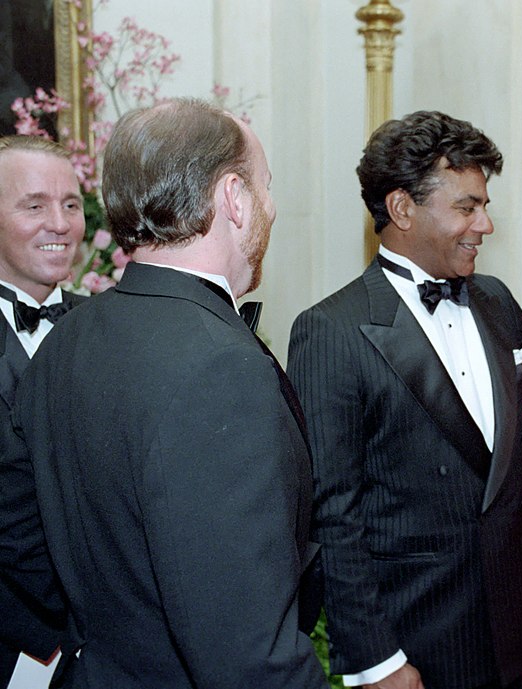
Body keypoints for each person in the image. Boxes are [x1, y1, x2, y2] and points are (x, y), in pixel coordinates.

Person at [0, 99, 327, 688]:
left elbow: (33, 551)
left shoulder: (65, 338)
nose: (272, 208)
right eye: (266, 186)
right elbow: (250, 656)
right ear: (233, 197)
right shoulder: (221, 367)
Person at [287, 110, 522, 689]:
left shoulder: (498, 302)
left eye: (486, 204)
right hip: (414, 647)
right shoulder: (331, 330)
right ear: (402, 209)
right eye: (467, 206)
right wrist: (376, 661)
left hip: (517, 632)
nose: (486, 224)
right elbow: (332, 514)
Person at [0, 135, 85, 687]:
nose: (59, 223)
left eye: (72, 204)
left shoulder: (113, 330)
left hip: (111, 650)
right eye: (34, 205)